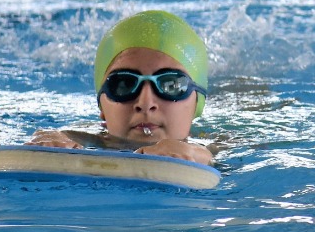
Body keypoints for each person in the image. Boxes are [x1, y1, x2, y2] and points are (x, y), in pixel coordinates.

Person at [28, 10, 215, 166]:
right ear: (102, 105)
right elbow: (62, 134)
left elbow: (211, 153)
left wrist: (193, 153)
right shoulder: (90, 138)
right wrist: (48, 138)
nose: (145, 103)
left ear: (197, 104)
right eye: (123, 84)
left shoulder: (216, 142)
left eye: (171, 85)